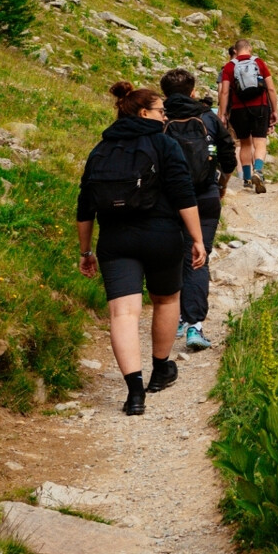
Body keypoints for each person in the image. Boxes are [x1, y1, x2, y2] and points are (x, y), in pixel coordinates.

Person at [76, 82, 208, 415]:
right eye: (162, 110)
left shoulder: (101, 149)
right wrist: (197, 239)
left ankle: (135, 393)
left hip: (115, 240)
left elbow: (84, 206)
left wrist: (85, 251)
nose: (166, 115)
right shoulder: (164, 144)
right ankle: (160, 369)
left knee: (122, 313)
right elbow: (183, 195)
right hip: (162, 236)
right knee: (166, 300)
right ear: (144, 113)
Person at [160, 67, 236, 351]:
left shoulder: (160, 118)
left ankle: (177, 317)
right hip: (205, 197)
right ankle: (195, 326)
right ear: (193, 91)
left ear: (165, 93)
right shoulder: (208, 117)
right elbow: (228, 156)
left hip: (170, 200)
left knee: (175, 255)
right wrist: (222, 184)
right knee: (199, 254)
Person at [217, 38, 278, 193]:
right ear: (249, 48)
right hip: (260, 107)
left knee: (245, 143)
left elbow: (224, 92)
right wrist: (274, 110)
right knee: (260, 142)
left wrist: (223, 114)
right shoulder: (259, 62)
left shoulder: (229, 67)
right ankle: (258, 171)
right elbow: (271, 88)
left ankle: (246, 178)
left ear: (235, 51)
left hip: (239, 109)